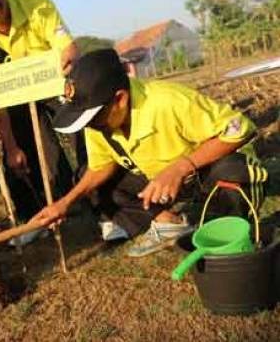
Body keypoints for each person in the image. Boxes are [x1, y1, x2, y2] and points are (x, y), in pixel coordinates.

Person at [30, 48, 267, 257]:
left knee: (233, 169)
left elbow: (239, 129)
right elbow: (99, 167)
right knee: (92, 185)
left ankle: (228, 226)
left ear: (120, 99)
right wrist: (65, 202)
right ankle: (169, 224)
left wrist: (181, 167)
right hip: (161, 182)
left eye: (93, 118)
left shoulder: (168, 101)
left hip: (206, 171)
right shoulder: (99, 122)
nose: (90, 125)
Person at [0, 0, 86, 245]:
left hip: (56, 80)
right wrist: (10, 146)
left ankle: (105, 207)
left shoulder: (36, 4)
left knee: (83, 134)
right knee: (23, 153)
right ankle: (35, 216)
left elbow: (66, 45)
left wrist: (69, 59)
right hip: (16, 95)